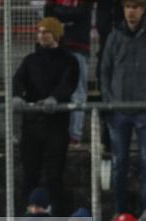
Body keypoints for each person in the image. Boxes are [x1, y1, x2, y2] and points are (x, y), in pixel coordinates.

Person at [100, 0, 146, 221]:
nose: (131, 12)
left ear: (143, 10)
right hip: (119, 110)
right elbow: (105, 71)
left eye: (136, 7)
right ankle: (120, 212)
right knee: (119, 162)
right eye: (128, 7)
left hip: (143, 110)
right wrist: (111, 101)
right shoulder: (114, 36)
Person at [12, 17, 80, 216]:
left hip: (56, 125)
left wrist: (55, 98)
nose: (41, 35)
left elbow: (69, 83)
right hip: (33, 124)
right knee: (29, 174)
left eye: (46, 31)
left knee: (55, 174)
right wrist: (16, 95)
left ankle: (56, 216)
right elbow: (18, 79)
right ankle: (25, 217)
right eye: (39, 31)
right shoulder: (31, 60)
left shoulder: (69, 60)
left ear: (56, 35)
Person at [43, 0, 91, 147]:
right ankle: (57, 134)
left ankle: (74, 136)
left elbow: (80, 13)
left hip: (78, 50)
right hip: (58, 49)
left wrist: (59, 11)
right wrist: (64, 13)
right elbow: (48, 14)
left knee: (78, 93)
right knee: (54, 92)